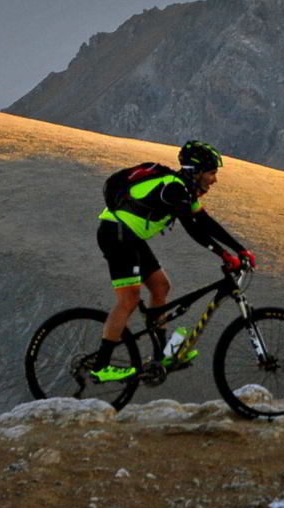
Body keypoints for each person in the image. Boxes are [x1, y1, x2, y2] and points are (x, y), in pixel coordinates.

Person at [88, 139, 257, 382]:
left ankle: (161, 355)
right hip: (117, 234)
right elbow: (193, 229)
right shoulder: (174, 189)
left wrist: (240, 250)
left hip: (131, 236)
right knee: (129, 298)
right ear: (196, 172)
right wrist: (224, 255)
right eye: (211, 173)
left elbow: (205, 221)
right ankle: (100, 366)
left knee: (161, 287)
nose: (214, 179)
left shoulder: (185, 190)